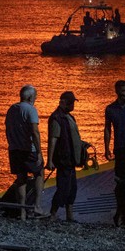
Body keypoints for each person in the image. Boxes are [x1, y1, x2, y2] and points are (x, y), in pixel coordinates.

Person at [3, 84, 49, 219]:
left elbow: (8, 128)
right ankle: (37, 206)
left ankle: (22, 211)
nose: (36, 98)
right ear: (30, 97)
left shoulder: (12, 109)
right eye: (35, 96)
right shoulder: (30, 110)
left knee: (21, 178)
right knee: (39, 172)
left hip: (14, 149)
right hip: (29, 150)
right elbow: (34, 132)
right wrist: (39, 152)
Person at [48, 91, 82, 222]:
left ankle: (69, 216)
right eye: (71, 102)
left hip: (71, 160)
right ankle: (53, 214)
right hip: (63, 159)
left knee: (72, 188)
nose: (73, 105)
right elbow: (53, 139)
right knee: (63, 188)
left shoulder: (70, 117)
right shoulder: (57, 118)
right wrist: (50, 160)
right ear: (63, 102)